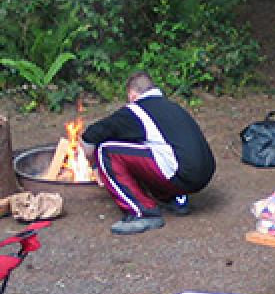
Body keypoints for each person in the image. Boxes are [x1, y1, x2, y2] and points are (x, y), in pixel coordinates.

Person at [81, 71, 216, 235]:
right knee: (148, 148)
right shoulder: (173, 107)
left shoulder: (136, 111)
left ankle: (143, 213)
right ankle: (174, 199)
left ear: (132, 95)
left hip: (180, 174)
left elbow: (90, 136)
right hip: (204, 173)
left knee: (105, 150)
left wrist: (94, 163)